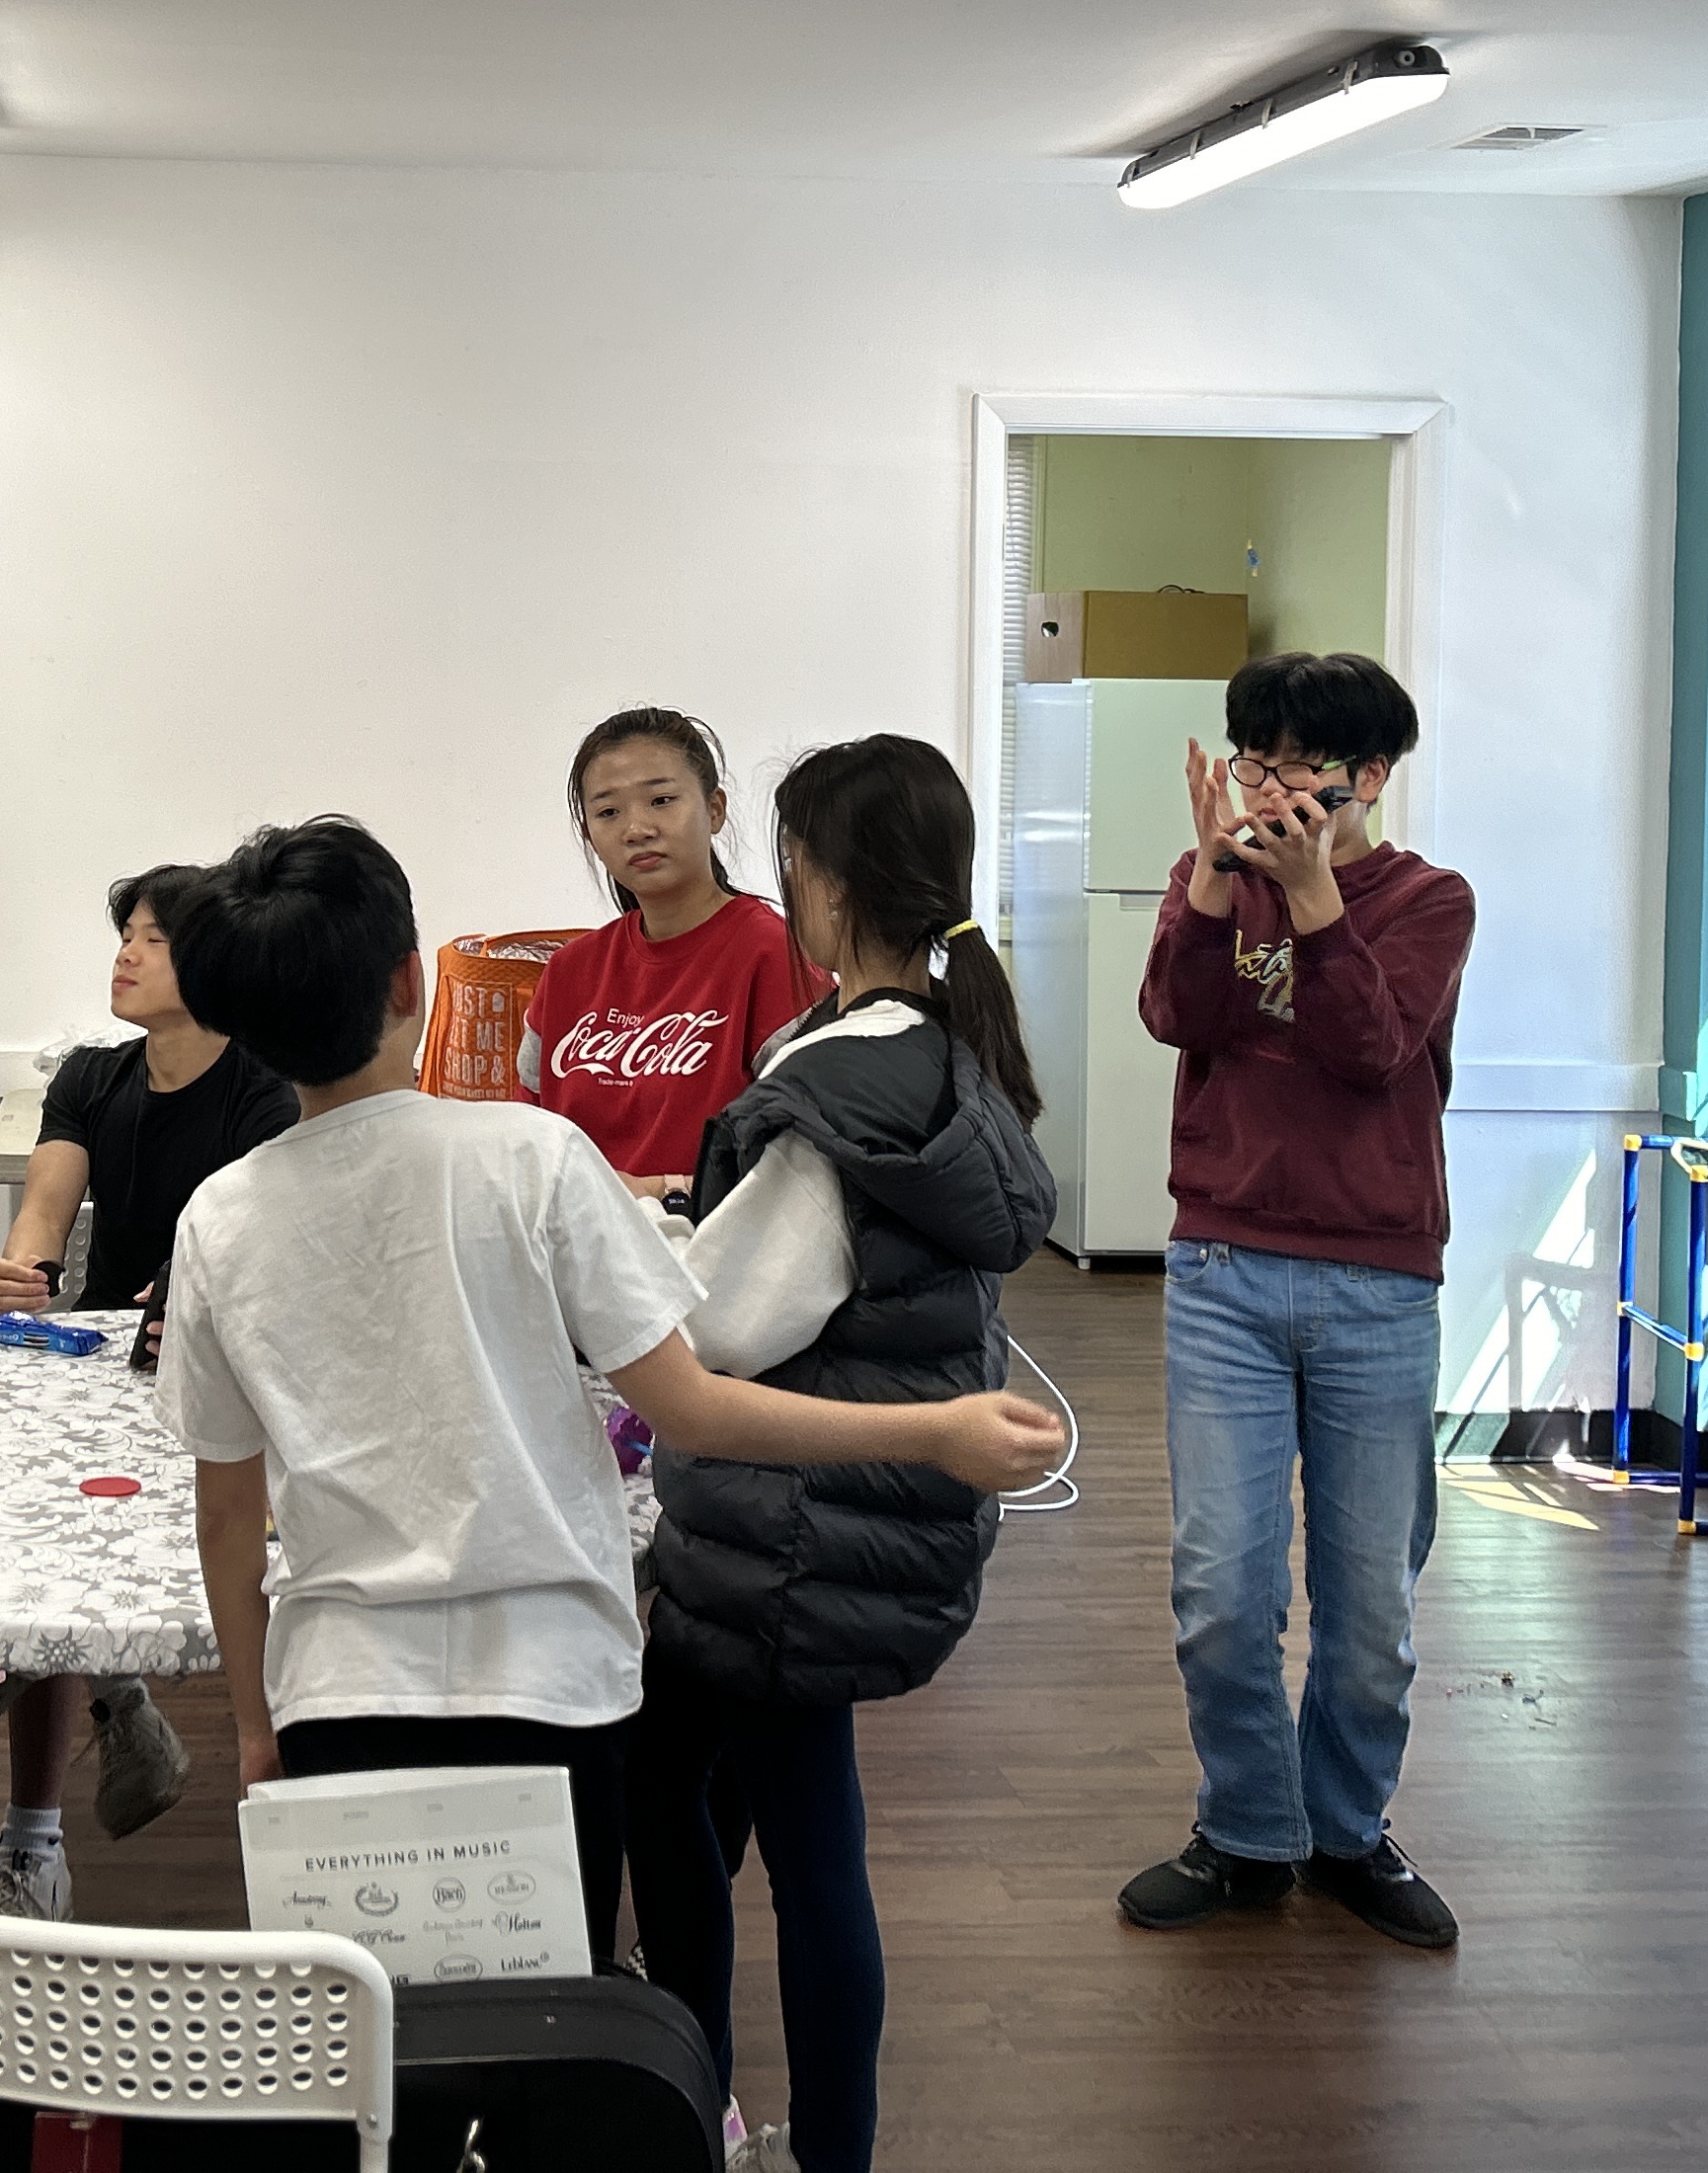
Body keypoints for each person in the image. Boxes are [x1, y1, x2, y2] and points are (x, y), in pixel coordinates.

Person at [153, 816, 1066, 1923]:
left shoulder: (218, 1219)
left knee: (381, 2011)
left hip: (337, 1688)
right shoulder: (529, 1158)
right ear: (409, 981)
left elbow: (225, 1514)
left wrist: (253, 1724)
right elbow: (696, 1409)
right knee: (554, 2003)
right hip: (553, 1682)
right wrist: (933, 1431)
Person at [624, 734, 1058, 2173]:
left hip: (795, 1542)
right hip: (833, 1528)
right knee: (671, 1792)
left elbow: (723, 1326)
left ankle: (804, 2144)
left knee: (807, 1863)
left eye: (794, 856)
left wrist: (618, 1255)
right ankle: (702, 2094)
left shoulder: (837, 1084)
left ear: (832, 880)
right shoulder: (936, 1044)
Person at [1113, 651, 1476, 1952]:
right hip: (1223, 1270)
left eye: (1298, 766)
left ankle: (1348, 1830)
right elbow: (1176, 1014)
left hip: (1380, 1281)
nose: (1269, 788)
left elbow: (1371, 1048)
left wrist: (1315, 898)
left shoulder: (1429, 901)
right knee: (1222, 1591)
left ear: (1369, 775)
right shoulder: (1212, 879)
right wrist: (1216, 884)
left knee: (1370, 1608)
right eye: (1253, 760)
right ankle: (1248, 1831)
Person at [0, 866, 293, 1917]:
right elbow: (47, 1206)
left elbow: (257, 1247)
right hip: (107, 1360)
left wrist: (193, 1288)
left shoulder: (265, 1090)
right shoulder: (90, 1077)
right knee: (45, 1567)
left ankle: (269, 1801)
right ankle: (35, 1834)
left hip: (225, 1372)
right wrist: (22, 1268)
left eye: (154, 939)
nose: (126, 954)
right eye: (126, 935)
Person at [523, 707, 830, 1203]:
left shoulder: (775, 956)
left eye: (661, 800)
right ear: (589, 834)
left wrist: (661, 1191)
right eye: (608, 812)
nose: (636, 829)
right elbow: (528, 1138)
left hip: (709, 1243)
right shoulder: (567, 971)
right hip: (575, 1241)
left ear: (714, 809)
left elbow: (808, 1165)